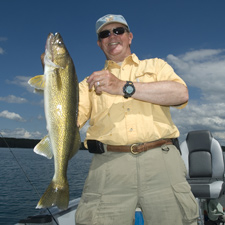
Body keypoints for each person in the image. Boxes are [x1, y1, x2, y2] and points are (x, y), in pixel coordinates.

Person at [76, 14, 199, 225]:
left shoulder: (157, 66)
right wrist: (56, 83)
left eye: (118, 31)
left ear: (130, 36)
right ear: (99, 43)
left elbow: (181, 94)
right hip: (108, 166)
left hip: (161, 161)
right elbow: (67, 123)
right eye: (105, 34)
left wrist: (124, 86)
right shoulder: (88, 83)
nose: (112, 36)